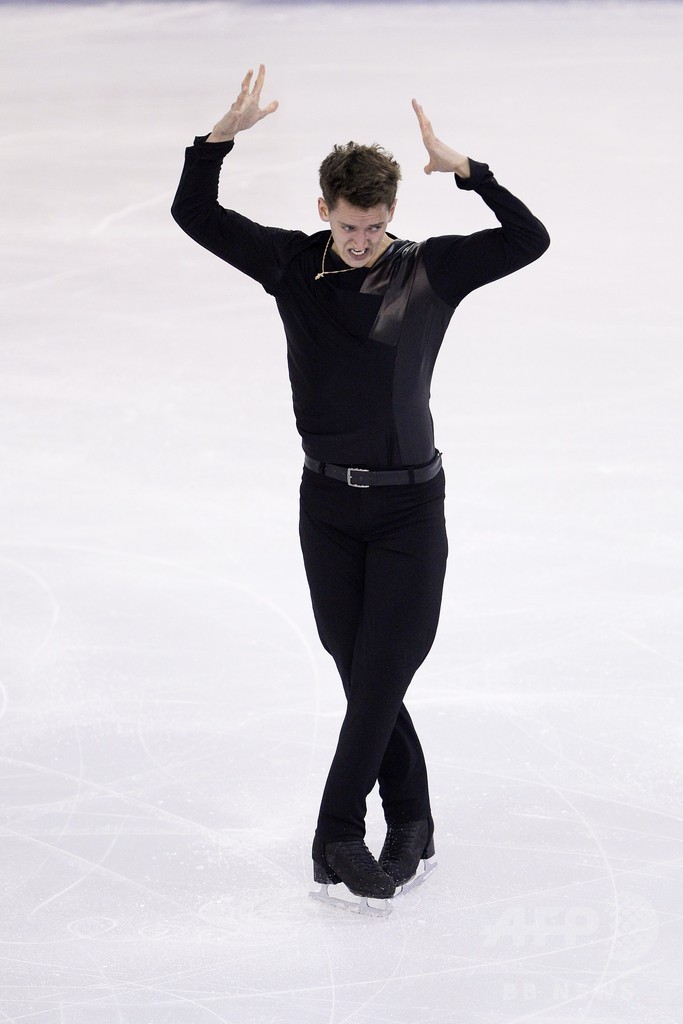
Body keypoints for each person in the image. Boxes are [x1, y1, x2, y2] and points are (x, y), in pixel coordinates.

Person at [171, 65, 550, 905]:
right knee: (364, 678)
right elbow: (194, 215)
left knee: (380, 677)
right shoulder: (287, 263)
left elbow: (529, 240)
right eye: (348, 225)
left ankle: (336, 832)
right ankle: (412, 820)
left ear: (392, 214)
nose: (361, 240)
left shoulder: (430, 270)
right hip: (327, 509)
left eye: (375, 226)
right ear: (324, 210)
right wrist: (216, 142)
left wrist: (470, 173)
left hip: (410, 509)